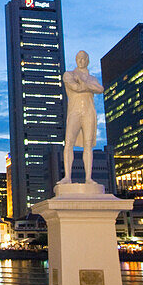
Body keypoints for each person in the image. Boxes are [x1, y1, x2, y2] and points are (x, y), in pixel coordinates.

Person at [57, 50, 104, 185]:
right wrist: (88, 87)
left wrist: (85, 84)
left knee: (88, 144)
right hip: (74, 112)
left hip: (89, 112)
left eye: (84, 59)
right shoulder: (69, 74)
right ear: (76, 60)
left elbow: (100, 89)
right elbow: (75, 87)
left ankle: (88, 178)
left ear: (87, 60)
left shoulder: (92, 78)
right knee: (69, 142)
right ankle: (67, 177)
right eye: (79, 58)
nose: (81, 61)